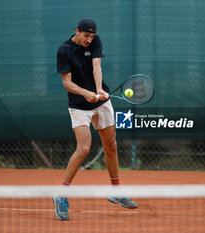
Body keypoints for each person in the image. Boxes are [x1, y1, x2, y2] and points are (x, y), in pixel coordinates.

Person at [53, 18, 137, 221]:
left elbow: (96, 66)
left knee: (111, 146)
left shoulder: (96, 41)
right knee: (83, 148)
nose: (89, 40)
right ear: (77, 31)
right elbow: (66, 82)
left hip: (100, 101)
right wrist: (85, 93)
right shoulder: (64, 50)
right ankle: (61, 195)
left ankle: (116, 192)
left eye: (91, 36)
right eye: (85, 36)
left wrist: (98, 89)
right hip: (79, 105)